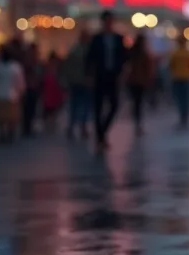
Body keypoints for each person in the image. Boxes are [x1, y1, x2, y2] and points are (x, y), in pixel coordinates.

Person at [87, 10, 127, 152]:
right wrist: (90, 76)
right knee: (98, 107)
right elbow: (90, 58)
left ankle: (102, 132)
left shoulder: (118, 39)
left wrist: (122, 73)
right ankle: (100, 137)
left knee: (114, 105)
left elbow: (123, 57)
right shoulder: (96, 39)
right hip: (99, 76)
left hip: (113, 76)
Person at [0, 44, 25, 143]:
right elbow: (19, 82)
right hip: (12, 96)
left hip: (0, 95)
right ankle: (10, 134)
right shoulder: (15, 67)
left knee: (1, 118)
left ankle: (2, 134)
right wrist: (21, 91)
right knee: (12, 117)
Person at [63, 30, 92, 139]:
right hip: (83, 82)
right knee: (84, 105)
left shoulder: (74, 50)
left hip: (75, 81)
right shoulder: (87, 51)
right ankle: (81, 126)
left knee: (75, 105)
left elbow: (67, 67)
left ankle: (72, 126)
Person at [126, 34, 155, 136]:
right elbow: (149, 69)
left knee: (136, 102)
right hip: (139, 81)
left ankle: (137, 121)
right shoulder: (143, 54)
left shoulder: (133, 53)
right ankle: (138, 123)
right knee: (138, 103)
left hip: (134, 81)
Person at [169, 34, 189, 129]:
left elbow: (171, 66)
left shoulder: (174, 54)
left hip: (176, 78)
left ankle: (182, 115)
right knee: (186, 98)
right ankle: (185, 116)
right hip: (188, 79)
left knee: (179, 98)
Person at [21, 42, 42, 138]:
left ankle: (28, 127)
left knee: (30, 109)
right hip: (29, 87)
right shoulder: (30, 62)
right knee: (28, 109)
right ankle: (27, 127)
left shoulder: (34, 61)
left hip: (32, 87)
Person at [41, 51, 65, 132]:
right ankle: (51, 122)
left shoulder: (48, 67)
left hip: (51, 89)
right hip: (51, 89)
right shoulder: (54, 68)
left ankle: (50, 122)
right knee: (51, 107)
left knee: (51, 107)